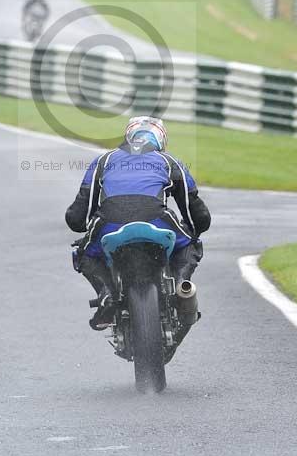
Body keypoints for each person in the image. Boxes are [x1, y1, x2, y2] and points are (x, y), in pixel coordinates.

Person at [66, 116, 211, 330]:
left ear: (128, 136)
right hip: (157, 219)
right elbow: (195, 212)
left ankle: (106, 293)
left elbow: (78, 217)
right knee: (190, 243)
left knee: (83, 252)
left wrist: (86, 228)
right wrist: (193, 230)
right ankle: (182, 286)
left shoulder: (104, 160)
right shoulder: (169, 162)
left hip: (110, 222)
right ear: (161, 140)